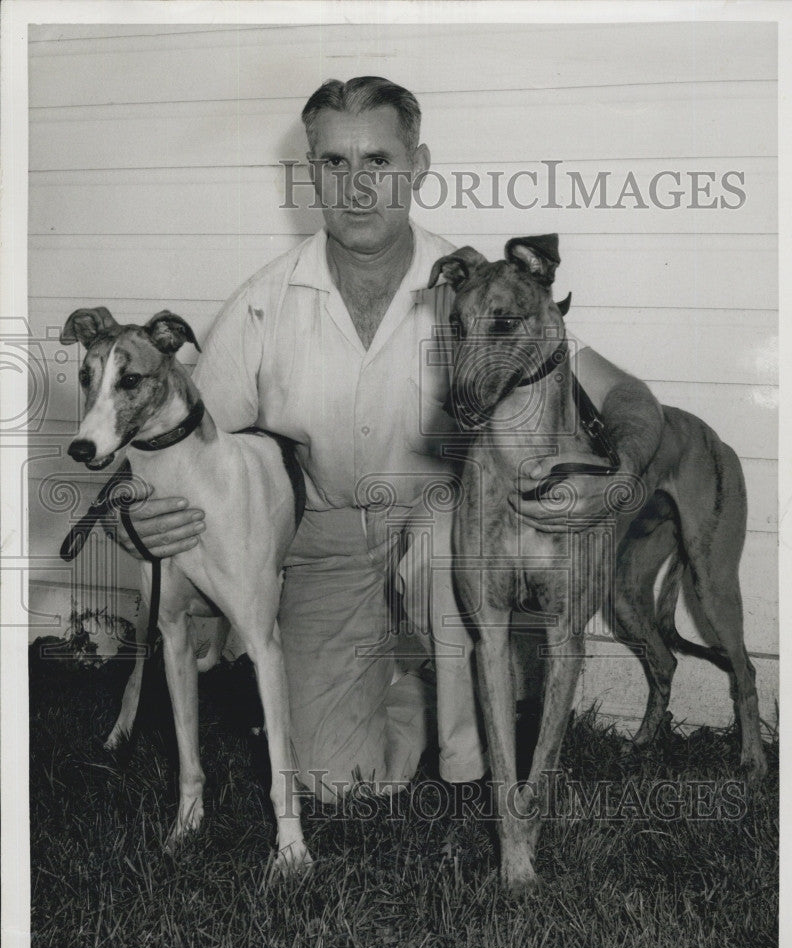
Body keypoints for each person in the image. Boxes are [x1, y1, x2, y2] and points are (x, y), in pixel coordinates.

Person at [114, 77, 664, 801]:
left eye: (377, 160)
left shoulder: (479, 285)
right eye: (334, 164)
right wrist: (128, 509)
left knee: (445, 544)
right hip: (325, 539)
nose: (356, 186)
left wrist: (618, 470)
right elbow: (183, 441)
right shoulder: (261, 301)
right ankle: (405, 686)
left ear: (418, 164)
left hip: (445, 522)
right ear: (311, 171)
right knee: (331, 782)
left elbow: (627, 393)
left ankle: (471, 761)